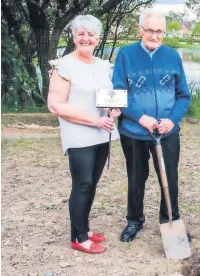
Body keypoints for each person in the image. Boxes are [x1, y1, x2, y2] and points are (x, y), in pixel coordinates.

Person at [112, 9, 191, 242]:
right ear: (140, 30)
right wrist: (140, 117)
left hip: (166, 132)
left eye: (159, 31)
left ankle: (170, 219)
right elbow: (118, 93)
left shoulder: (172, 56)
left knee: (170, 177)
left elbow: (183, 95)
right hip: (134, 132)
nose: (155, 36)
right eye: (150, 31)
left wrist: (172, 120)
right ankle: (134, 220)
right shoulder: (125, 55)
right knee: (136, 177)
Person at [48, 15, 121, 254]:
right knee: (83, 184)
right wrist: (94, 120)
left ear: (98, 38)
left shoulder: (103, 66)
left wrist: (114, 109)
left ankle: (84, 227)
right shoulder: (63, 66)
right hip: (80, 134)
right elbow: (55, 105)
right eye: (81, 33)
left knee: (92, 184)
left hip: (103, 133)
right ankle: (77, 237)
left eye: (91, 34)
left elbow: (110, 97)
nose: (86, 38)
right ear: (74, 37)